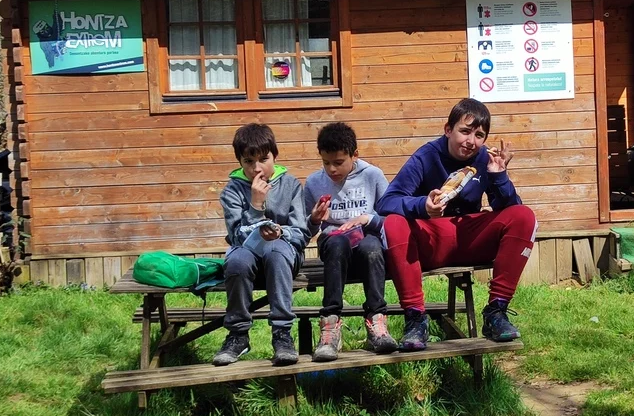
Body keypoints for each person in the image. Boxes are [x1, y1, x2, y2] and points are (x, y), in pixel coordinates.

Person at [376, 97, 537, 351]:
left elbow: (510, 209)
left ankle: (496, 312)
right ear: (448, 129)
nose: (471, 141)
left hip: (469, 238)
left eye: (479, 135)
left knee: (524, 216)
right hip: (431, 241)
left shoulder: (485, 158)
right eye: (464, 131)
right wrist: (423, 206)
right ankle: (415, 318)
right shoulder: (426, 156)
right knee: (394, 223)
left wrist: (499, 176)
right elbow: (387, 202)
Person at [214, 123, 308, 367]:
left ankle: (282, 334)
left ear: (275, 156)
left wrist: (280, 232)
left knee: (276, 252)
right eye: (248, 161)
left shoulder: (290, 185)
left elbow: (301, 233)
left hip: (284, 255)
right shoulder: (232, 191)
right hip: (248, 255)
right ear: (239, 162)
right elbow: (236, 237)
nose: (257, 168)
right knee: (236, 260)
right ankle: (238, 334)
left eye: (263, 159)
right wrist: (255, 206)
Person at [304, 122, 398, 361]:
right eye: (326, 162)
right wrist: (314, 219)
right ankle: (330, 324)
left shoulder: (372, 175)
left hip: (366, 240)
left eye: (338, 162)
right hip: (334, 243)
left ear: (354, 155)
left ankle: (377, 320)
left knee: (372, 247)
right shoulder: (314, 183)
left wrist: (368, 219)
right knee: (337, 244)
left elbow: (391, 217)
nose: (331, 169)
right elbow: (304, 230)